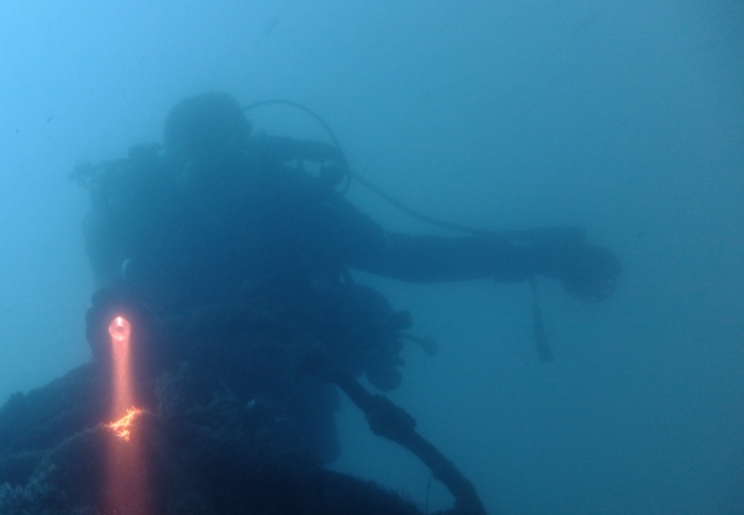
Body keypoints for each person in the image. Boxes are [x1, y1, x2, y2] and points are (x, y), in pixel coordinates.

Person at [79, 92, 619, 460]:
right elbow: (106, 267)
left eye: (222, 164)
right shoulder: (147, 209)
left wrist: (539, 257)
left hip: (283, 379)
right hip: (184, 384)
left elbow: (406, 259)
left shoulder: (287, 202)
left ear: (245, 154)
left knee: (303, 456)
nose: (215, 188)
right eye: (203, 167)